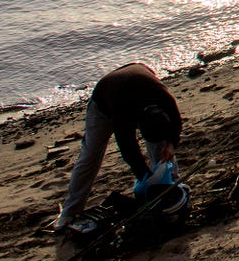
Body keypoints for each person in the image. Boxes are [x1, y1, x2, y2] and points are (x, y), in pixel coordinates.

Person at [55, 62, 183, 235]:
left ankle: (172, 186)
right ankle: (69, 212)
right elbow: (128, 148)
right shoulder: (124, 111)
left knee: (161, 150)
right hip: (103, 102)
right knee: (90, 154)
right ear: (138, 123)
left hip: (139, 77)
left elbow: (176, 121)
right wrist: (145, 177)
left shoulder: (164, 98)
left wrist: (171, 144)